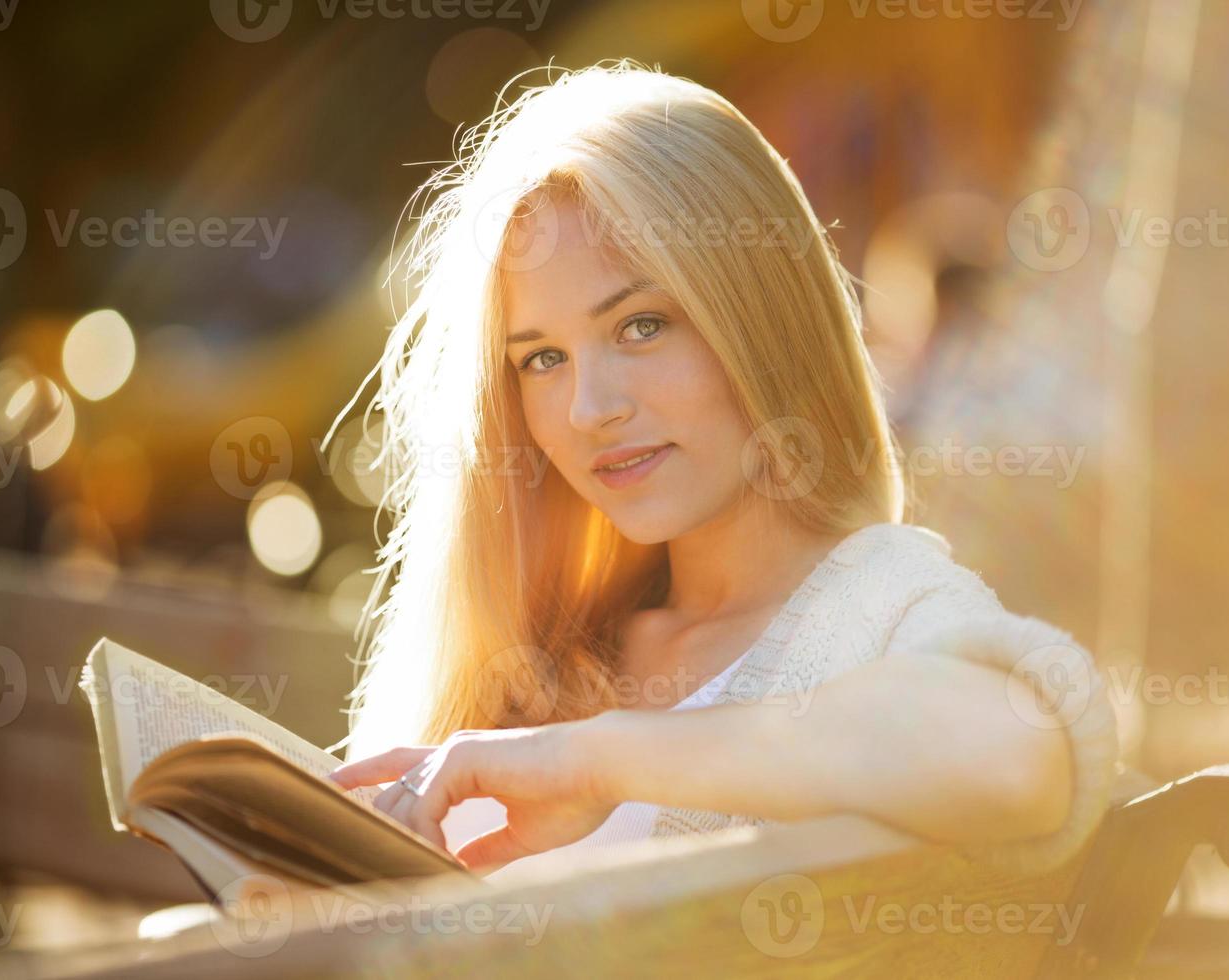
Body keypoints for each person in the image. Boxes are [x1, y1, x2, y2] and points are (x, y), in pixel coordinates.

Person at [324, 59, 1117, 883]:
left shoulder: (876, 602)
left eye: (641, 325)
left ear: (760, 314)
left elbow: (1017, 749)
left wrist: (597, 759)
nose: (589, 408)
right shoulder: (537, 642)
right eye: (544, 358)